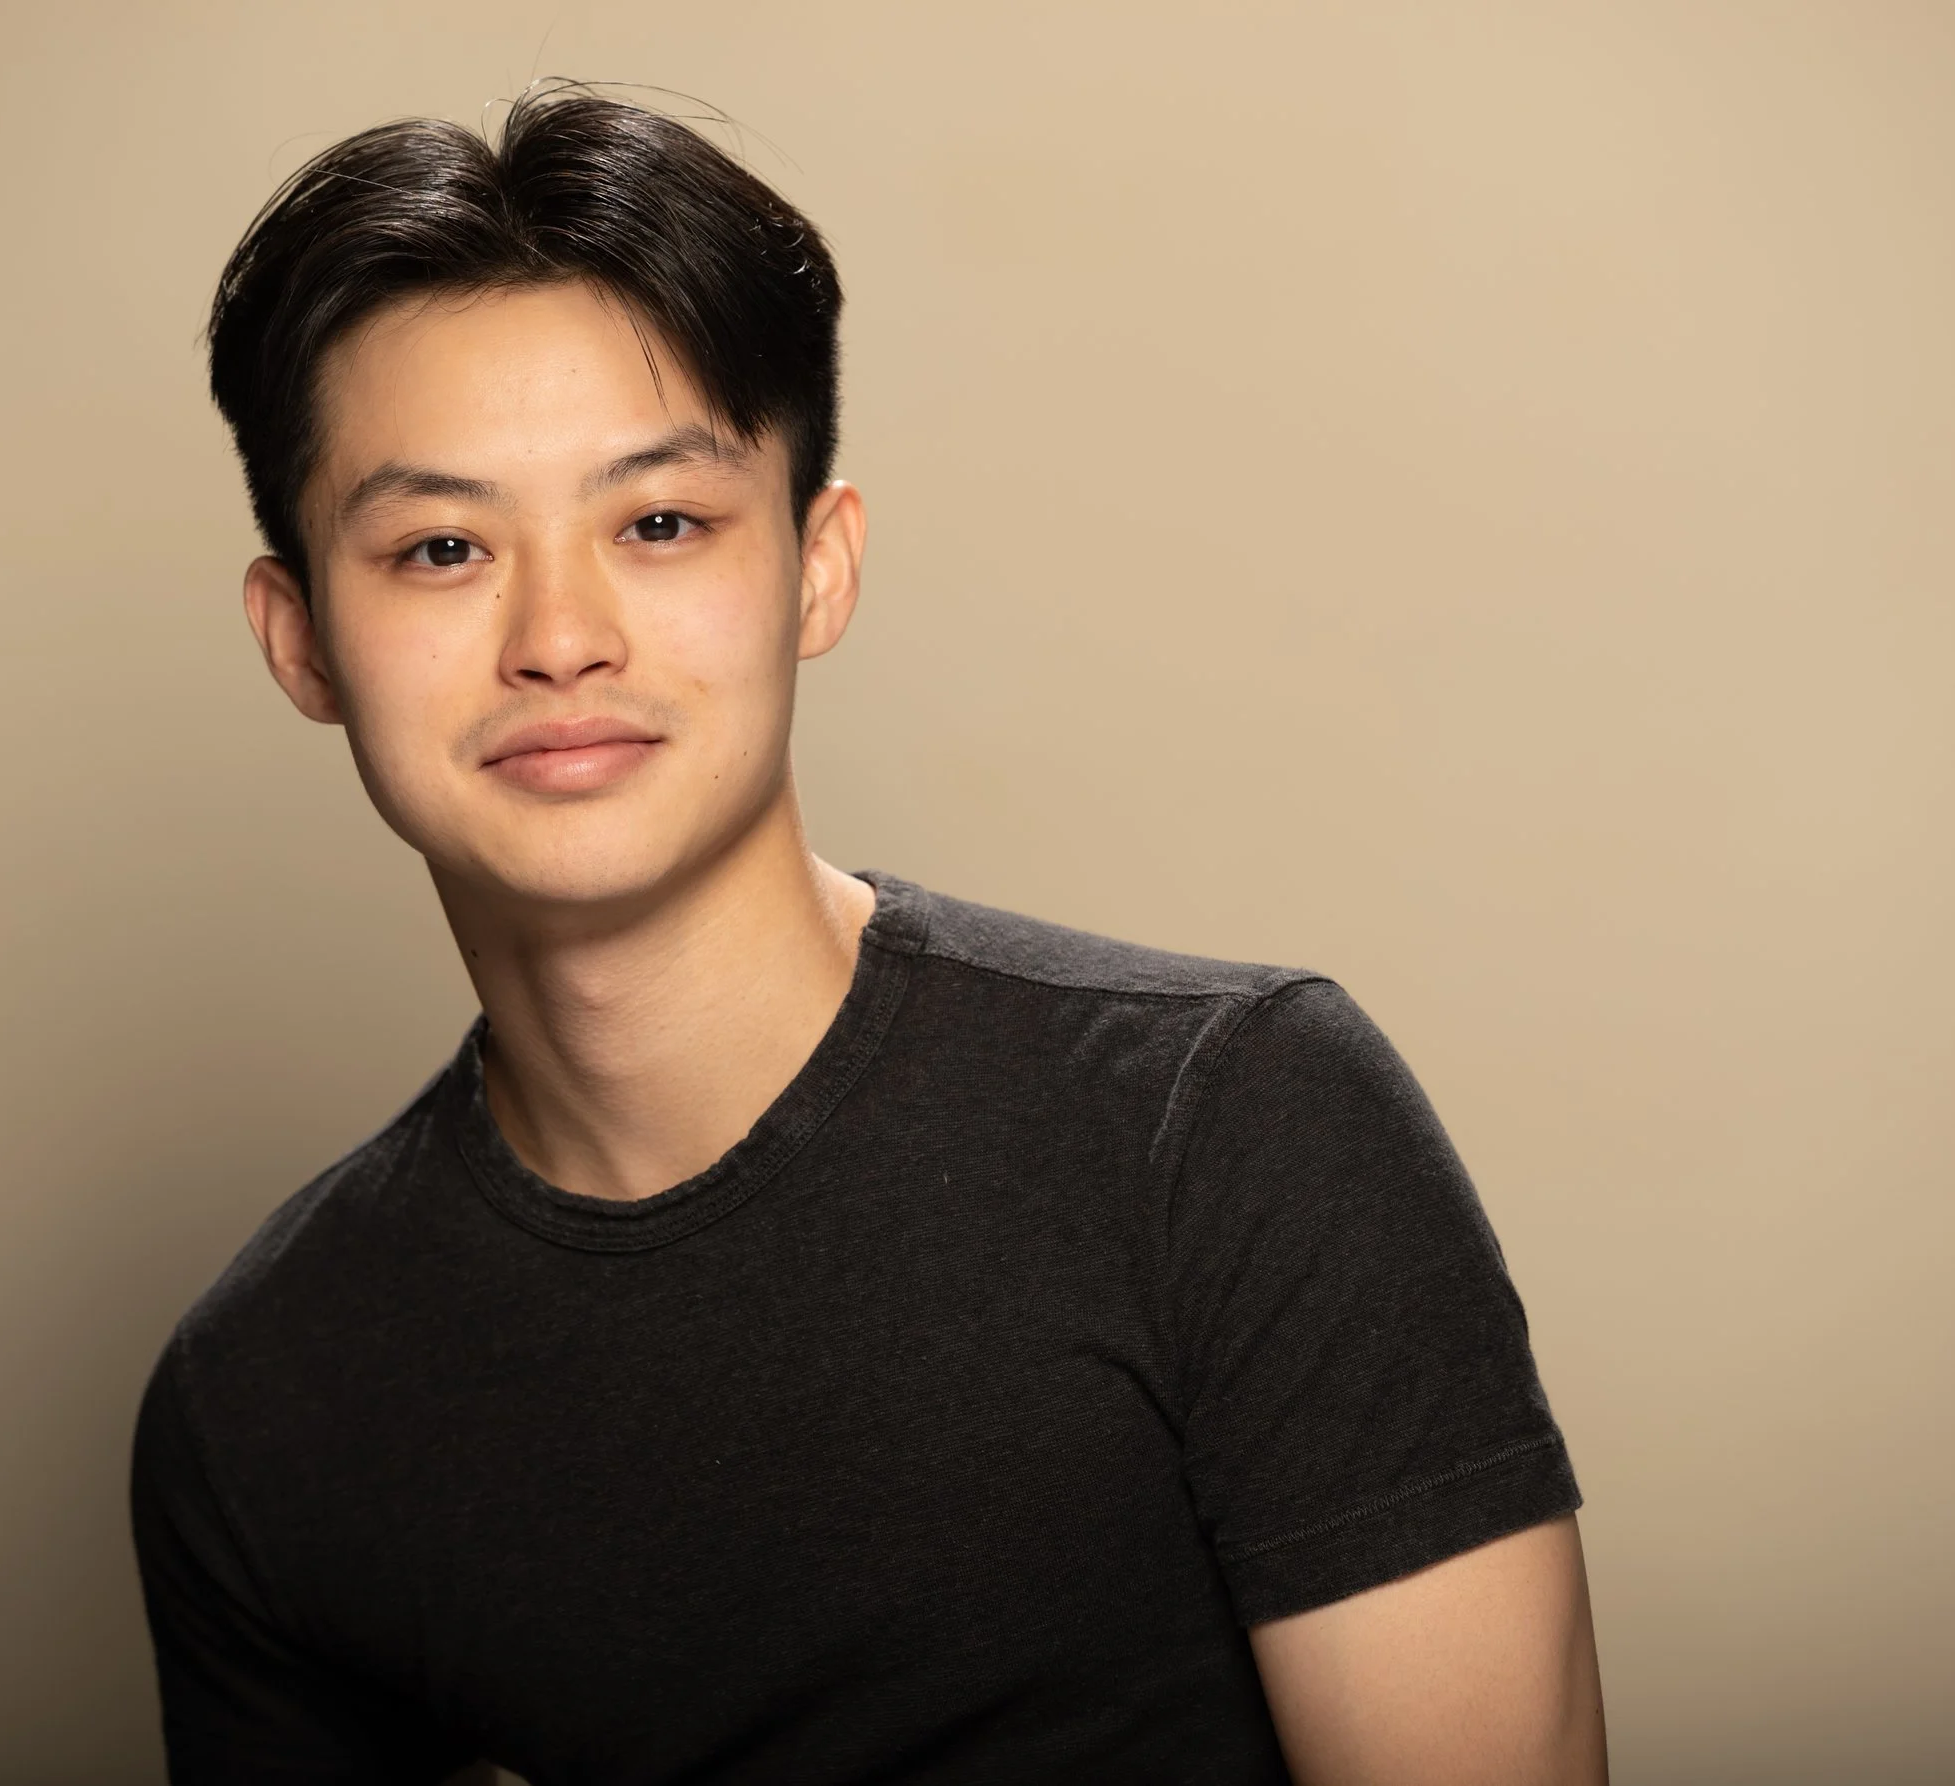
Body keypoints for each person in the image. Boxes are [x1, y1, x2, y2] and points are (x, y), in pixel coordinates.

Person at [131, 86, 1607, 1786]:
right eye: (441, 547)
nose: (559, 635)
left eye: (660, 522)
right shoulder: (260, 1406)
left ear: (817, 569)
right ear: (302, 637)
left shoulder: (1234, 1128)